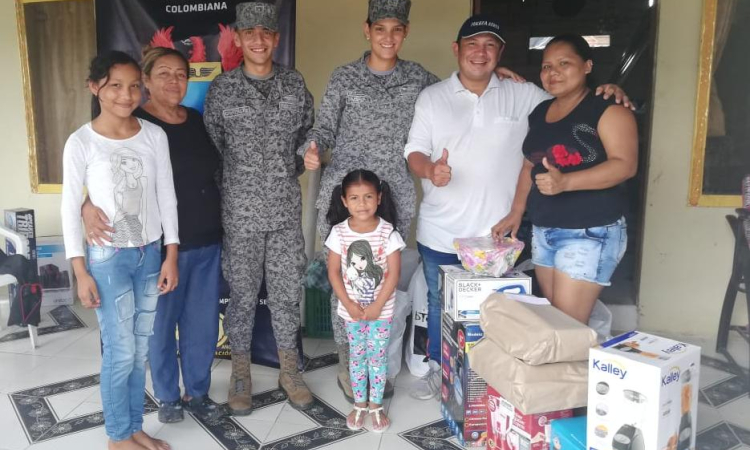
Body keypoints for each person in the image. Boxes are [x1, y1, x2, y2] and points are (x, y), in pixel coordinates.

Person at [404, 15, 632, 400]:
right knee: (441, 306)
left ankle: (491, 386)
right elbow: (413, 150)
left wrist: (607, 90)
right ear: (456, 50)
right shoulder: (432, 96)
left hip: (498, 236)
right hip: (442, 230)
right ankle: (445, 378)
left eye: (490, 45)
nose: (481, 52)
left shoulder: (525, 95)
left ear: (500, 53)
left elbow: (574, 102)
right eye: (472, 44)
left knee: (502, 314)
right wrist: (430, 169)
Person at [83, 46, 224, 424]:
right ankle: (167, 396)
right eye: (163, 73)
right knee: (161, 327)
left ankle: (198, 392)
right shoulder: (135, 124)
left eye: (181, 74)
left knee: (202, 325)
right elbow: (99, 172)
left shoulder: (195, 121)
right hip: (158, 247)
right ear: (145, 81)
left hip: (207, 240)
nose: (174, 81)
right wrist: (84, 205)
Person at [61, 50, 178, 450]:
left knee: (139, 347)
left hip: (149, 254)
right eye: (114, 86)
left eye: (133, 86)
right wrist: (80, 270)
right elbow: (68, 205)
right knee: (120, 349)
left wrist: (171, 253)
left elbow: (167, 196)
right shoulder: (81, 142)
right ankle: (116, 437)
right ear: (95, 88)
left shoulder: (154, 135)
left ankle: (134, 427)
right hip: (108, 259)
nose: (126, 95)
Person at [203, 2, 314, 414]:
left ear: (276, 38)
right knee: (243, 297)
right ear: (238, 38)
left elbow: (307, 137)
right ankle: (241, 374)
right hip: (240, 215)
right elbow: (213, 151)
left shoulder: (294, 84)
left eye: (267, 32)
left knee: (286, 293)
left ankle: (289, 370)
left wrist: (308, 155)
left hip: (285, 211)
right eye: (250, 32)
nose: (259, 39)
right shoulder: (223, 90)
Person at [491, 34, 637, 325]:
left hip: (591, 230)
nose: (553, 72)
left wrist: (566, 183)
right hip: (546, 229)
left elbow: (625, 166)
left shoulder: (608, 108)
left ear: (587, 66)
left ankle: (584, 366)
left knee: (566, 325)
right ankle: (586, 361)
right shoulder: (541, 112)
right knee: (559, 318)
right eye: (546, 67)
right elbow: (529, 165)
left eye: (564, 63)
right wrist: (517, 211)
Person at [325, 169, 404, 432]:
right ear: (345, 201)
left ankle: (376, 406)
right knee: (357, 357)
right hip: (352, 312)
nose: (362, 204)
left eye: (368, 196)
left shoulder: (388, 232)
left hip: (381, 310)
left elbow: (394, 273)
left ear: (379, 198)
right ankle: (359, 404)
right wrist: (348, 304)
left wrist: (378, 305)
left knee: (377, 357)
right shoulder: (338, 232)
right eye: (355, 198)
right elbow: (334, 272)